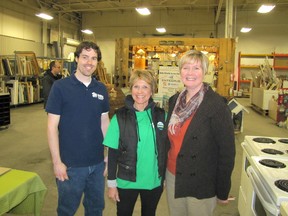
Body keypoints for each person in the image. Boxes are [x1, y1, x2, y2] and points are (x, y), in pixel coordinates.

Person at [165, 50, 235, 216]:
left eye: (196, 68)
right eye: (186, 67)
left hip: (202, 180)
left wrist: (223, 189)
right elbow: (167, 142)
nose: (190, 73)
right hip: (174, 175)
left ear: (205, 72)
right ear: (180, 71)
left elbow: (227, 152)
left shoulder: (216, 105)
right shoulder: (175, 101)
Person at [45, 41, 110, 216]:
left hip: (97, 164)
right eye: (85, 57)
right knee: (66, 210)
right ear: (76, 59)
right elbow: (51, 127)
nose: (89, 62)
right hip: (70, 166)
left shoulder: (101, 89)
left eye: (94, 58)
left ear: (98, 62)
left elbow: (105, 122)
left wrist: (110, 155)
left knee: (95, 209)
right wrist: (57, 162)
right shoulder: (60, 87)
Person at [103, 69, 167, 216]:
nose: (140, 91)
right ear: (131, 89)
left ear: (152, 90)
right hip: (127, 181)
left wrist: (163, 177)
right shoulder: (119, 117)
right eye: (136, 86)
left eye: (145, 87)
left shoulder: (161, 115)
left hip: (153, 182)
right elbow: (112, 153)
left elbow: (166, 149)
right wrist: (111, 184)